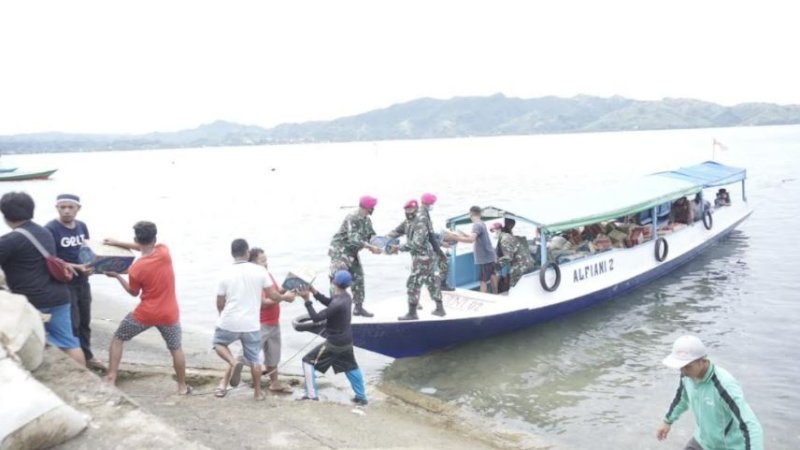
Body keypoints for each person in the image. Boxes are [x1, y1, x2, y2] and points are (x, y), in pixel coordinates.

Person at [103, 221, 190, 395]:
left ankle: (111, 376)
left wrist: (118, 276)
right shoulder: (164, 252)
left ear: (136, 238)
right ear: (155, 238)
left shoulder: (135, 269)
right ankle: (182, 387)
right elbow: (143, 246)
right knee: (176, 348)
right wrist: (118, 242)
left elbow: (133, 292)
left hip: (145, 314)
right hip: (169, 314)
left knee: (118, 338)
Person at [0, 192, 86, 366]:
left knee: (27, 341)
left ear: (5, 215)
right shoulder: (44, 232)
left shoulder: (9, 241)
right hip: (59, 296)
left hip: (33, 301)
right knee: (69, 342)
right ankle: (84, 376)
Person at [657, 335, 763, 450]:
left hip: (727, 447)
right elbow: (681, 399)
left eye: (687, 366)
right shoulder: (686, 376)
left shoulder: (724, 385)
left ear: (702, 361)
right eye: (680, 366)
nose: (683, 371)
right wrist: (667, 421)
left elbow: (750, 425)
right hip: (702, 442)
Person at [212, 239, 282, 401]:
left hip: (230, 321)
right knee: (255, 360)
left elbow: (220, 302)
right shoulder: (260, 272)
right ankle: (257, 393)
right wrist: (284, 297)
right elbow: (273, 296)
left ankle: (231, 362)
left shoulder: (224, 273)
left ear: (232, 254)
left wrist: (221, 315)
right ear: (247, 252)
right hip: (252, 324)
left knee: (218, 343)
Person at [45, 193, 103, 370]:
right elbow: (51, 259)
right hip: (64, 282)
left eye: (70, 207)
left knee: (85, 320)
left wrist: (95, 265)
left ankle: (87, 355)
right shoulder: (50, 229)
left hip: (83, 281)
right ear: (57, 208)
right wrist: (77, 267)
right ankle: (75, 359)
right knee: (73, 322)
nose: (67, 211)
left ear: (78, 208)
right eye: (63, 207)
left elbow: (87, 251)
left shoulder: (82, 226)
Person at [229, 247, 296, 394]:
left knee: (273, 354)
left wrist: (289, 285)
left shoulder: (267, 275)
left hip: (273, 322)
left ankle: (274, 382)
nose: (266, 263)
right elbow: (262, 302)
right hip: (260, 323)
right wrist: (284, 298)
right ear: (253, 263)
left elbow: (277, 294)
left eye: (266, 260)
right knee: (249, 351)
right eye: (262, 261)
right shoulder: (255, 279)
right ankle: (233, 370)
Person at [297, 270, 368, 406]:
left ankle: (311, 395)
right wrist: (314, 291)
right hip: (346, 340)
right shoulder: (346, 297)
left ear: (333, 282)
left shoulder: (338, 302)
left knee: (307, 361)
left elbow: (317, 318)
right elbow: (330, 302)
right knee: (350, 366)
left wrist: (307, 301)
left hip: (335, 342)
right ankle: (361, 397)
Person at [387, 199, 446, 320]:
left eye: (411, 210)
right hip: (421, 257)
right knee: (431, 282)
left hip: (423, 257)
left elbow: (416, 244)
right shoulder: (408, 221)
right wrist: (383, 239)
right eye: (406, 210)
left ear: (416, 209)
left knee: (413, 284)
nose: (408, 212)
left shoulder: (420, 223)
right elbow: (397, 231)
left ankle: (412, 313)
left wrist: (398, 248)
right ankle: (440, 309)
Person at [328, 195, 382, 317]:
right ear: (368, 207)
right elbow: (354, 239)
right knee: (337, 280)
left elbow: (371, 236)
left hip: (352, 253)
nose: (373, 209)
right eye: (372, 207)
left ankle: (358, 307)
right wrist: (369, 247)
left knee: (358, 278)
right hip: (340, 251)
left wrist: (382, 245)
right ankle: (334, 311)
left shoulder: (366, 220)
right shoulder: (352, 217)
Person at [452, 206, 498, 293]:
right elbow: (475, 238)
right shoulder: (481, 223)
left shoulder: (476, 225)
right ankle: (496, 293)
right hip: (490, 255)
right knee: (492, 274)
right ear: (480, 214)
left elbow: (471, 240)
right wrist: (463, 235)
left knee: (483, 281)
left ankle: (482, 297)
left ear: (471, 214)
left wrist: (455, 237)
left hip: (484, 258)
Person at [419, 193, 454, 291]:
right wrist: (440, 244)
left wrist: (440, 241)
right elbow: (427, 235)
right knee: (441, 261)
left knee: (436, 264)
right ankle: (440, 285)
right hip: (426, 247)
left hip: (425, 246)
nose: (431, 206)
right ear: (428, 204)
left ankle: (439, 284)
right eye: (431, 204)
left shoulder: (421, 212)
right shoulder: (423, 215)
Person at [491, 218, 533, 290]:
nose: (493, 234)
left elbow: (508, 257)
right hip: (528, 262)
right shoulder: (507, 236)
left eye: (493, 231)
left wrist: (496, 263)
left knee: (514, 287)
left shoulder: (504, 239)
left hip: (520, 265)